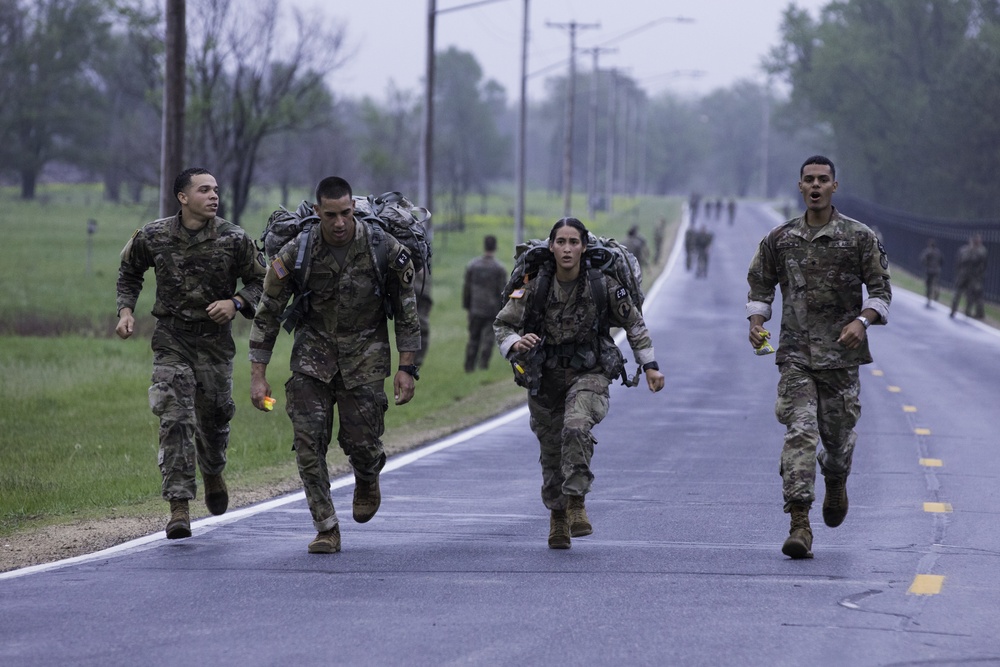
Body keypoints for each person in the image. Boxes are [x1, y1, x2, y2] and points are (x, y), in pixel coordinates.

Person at [248, 176, 421, 554]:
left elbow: (407, 314)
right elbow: (268, 314)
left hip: (366, 358)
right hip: (313, 358)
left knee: (362, 443)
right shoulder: (297, 252)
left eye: (345, 213)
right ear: (317, 212)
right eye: (330, 215)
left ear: (354, 209)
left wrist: (407, 369)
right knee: (309, 443)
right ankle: (326, 526)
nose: (339, 223)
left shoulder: (383, 248)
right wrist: (258, 375)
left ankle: (368, 474)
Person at [746, 155, 891, 560]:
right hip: (795, 355)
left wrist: (863, 320)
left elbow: (881, 292)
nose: (815, 186)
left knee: (838, 441)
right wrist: (756, 322)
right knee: (800, 431)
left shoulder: (860, 237)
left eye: (822, 180)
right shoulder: (780, 239)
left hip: (842, 358)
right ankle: (799, 524)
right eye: (808, 180)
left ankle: (837, 477)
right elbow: (760, 287)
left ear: (834, 187)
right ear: (800, 187)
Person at [494, 217, 665, 550]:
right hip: (544, 377)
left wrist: (650, 366)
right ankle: (558, 516)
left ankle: (576, 502)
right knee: (551, 452)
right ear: (551, 246)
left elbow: (634, 323)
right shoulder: (534, 286)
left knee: (575, 427)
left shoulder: (602, 284)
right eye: (561, 242)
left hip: (590, 373)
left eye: (574, 242)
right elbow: (502, 325)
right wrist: (515, 344)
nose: (567, 249)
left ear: (584, 247)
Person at [115, 167, 266, 540]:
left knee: (213, 421)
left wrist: (235, 302)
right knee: (176, 416)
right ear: (183, 198)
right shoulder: (154, 235)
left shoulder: (234, 238)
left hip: (215, 344)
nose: (214, 196)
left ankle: (213, 470)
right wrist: (126, 310)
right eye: (204, 190)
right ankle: (179, 506)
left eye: (216, 189)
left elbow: (263, 282)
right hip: (172, 340)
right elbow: (129, 271)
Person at [462, 235, 508, 372]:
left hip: (475, 308)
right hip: (491, 308)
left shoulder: (472, 266)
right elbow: (503, 290)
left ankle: (469, 366)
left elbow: (467, 288)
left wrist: (467, 305)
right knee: (488, 339)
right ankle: (483, 365)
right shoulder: (499, 268)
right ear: (495, 247)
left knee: (473, 338)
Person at [950, 233, 989, 319]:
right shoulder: (980, 251)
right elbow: (983, 265)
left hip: (965, 275)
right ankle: (966, 311)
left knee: (963, 293)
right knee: (969, 294)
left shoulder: (964, 250)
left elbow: (958, 263)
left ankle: (956, 310)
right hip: (972, 276)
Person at [918, 238, 943, 308]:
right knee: (934, 284)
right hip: (936, 270)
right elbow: (941, 261)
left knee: (928, 285)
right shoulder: (938, 252)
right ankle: (935, 293)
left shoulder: (928, 251)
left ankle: (929, 297)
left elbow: (922, 259)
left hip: (929, 270)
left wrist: (927, 264)